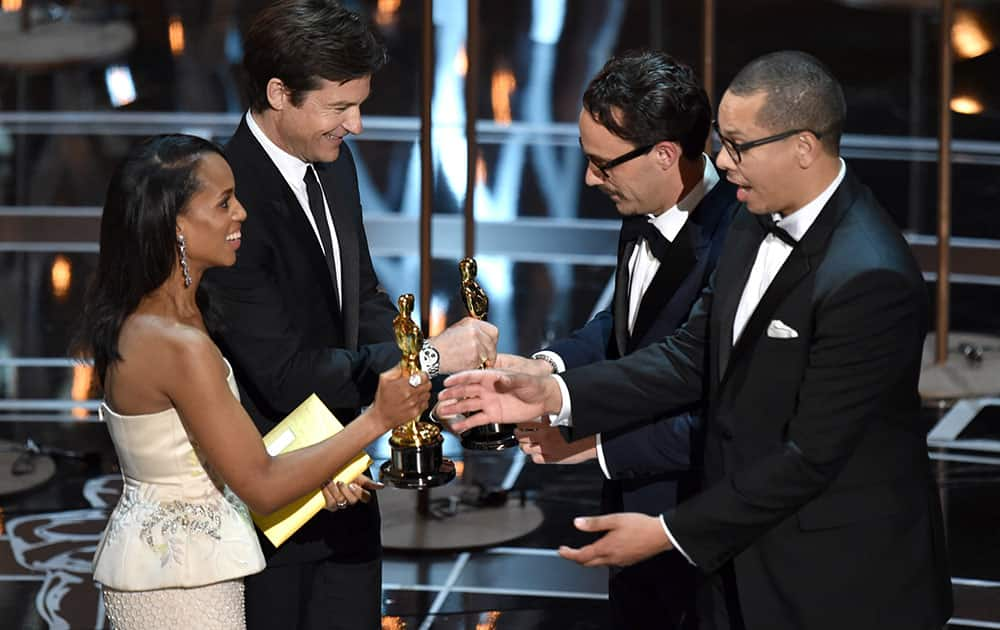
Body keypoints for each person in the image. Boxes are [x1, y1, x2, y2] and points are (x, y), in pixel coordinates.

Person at [440, 50, 952, 630]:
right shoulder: (754, 217)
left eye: (738, 146)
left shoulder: (870, 276)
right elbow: (688, 355)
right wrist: (554, 393)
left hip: (842, 583)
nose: (720, 162)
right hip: (744, 561)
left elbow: (809, 457)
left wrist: (666, 531)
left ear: (803, 147)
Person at [201, 2, 498, 628]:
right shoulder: (224, 203)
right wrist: (434, 355)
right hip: (270, 501)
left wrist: (425, 377)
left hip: (352, 480)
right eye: (340, 108)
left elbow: (361, 300)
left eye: (358, 105)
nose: (357, 126)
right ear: (279, 93)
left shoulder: (335, 167)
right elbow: (278, 372)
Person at [75, 134, 431, 630]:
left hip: (181, 569)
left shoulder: (172, 318)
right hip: (181, 588)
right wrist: (378, 418)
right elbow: (260, 485)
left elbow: (217, 455)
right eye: (223, 203)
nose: (241, 213)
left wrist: (315, 476)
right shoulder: (177, 344)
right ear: (176, 224)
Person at [494, 50, 737, 629]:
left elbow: (728, 415)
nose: (588, 179)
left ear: (664, 155)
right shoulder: (643, 201)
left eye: (603, 165)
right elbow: (625, 326)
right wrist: (546, 368)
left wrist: (589, 444)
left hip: (699, 525)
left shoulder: (739, 242)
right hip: (631, 513)